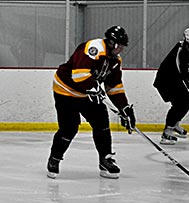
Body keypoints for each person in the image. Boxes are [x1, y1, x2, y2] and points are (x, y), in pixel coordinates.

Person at [46, 25, 136, 179]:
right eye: (119, 46)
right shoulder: (93, 48)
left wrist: (124, 108)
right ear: (111, 42)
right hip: (65, 91)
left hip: (87, 93)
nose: (121, 49)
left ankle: (105, 160)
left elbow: (113, 86)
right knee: (69, 128)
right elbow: (79, 75)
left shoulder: (115, 60)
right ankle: (54, 158)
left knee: (102, 122)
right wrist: (93, 88)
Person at [153, 27, 189, 145]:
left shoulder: (186, 48)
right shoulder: (182, 51)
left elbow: (185, 70)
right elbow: (185, 76)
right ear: (188, 39)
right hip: (166, 81)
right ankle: (167, 133)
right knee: (181, 103)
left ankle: (174, 124)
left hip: (173, 79)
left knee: (186, 101)